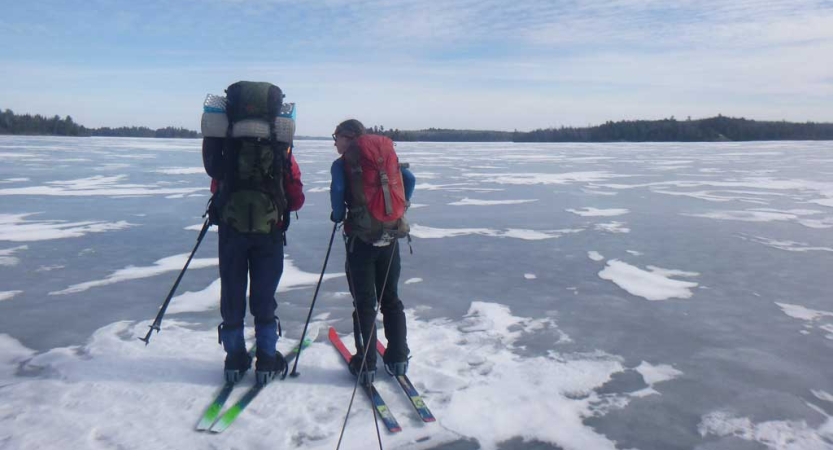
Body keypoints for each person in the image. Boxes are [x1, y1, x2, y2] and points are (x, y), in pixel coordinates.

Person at [202, 82, 305, 386]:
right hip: (269, 233)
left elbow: (216, 181)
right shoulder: (280, 150)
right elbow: (296, 196)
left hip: (232, 233)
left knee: (232, 294)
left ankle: (235, 358)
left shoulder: (229, 149)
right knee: (263, 297)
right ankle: (267, 360)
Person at [329, 119, 415, 385]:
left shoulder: (343, 164)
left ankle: (366, 364)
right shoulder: (382, 158)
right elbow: (409, 178)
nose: (335, 143)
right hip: (390, 237)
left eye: (336, 137)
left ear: (348, 137)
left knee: (365, 303)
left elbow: (339, 190)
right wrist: (400, 208)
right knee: (391, 299)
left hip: (361, 240)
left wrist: (338, 214)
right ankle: (398, 358)